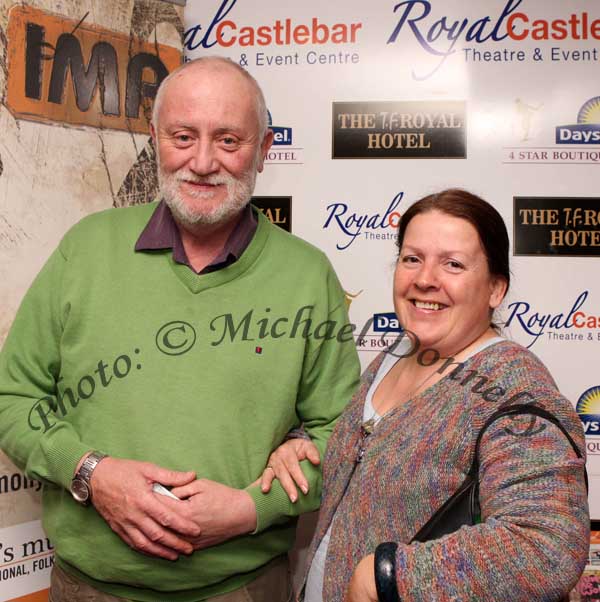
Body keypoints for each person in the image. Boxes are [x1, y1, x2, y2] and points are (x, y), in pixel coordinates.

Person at [0, 57, 360, 602]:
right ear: (155, 138)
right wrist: (92, 474)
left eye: (229, 141)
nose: (202, 161)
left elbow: (344, 433)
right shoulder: (86, 248)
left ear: (264, 150)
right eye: (183, 136)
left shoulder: (308, 276)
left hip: (243, 590)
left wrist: (248, 509)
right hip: (88, 591)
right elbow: (13, 397)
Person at [261, 189, 590, 601]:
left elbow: (547, 548)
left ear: (495, 289)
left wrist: (388, 576)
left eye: (453, 264)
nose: (425, 279)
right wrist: (300, 445)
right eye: (412, 258)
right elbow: (369, 458)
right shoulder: (397, 353)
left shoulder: (513, 384)